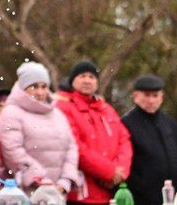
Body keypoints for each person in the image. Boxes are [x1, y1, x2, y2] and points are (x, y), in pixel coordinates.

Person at [0, 62, 80, 197]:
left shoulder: (57, 114)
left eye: (44, 86)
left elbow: (71, 148)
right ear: (24, 87)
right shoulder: (11, 113)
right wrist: (42, 181)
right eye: (34, 86)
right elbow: (13, 151)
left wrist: (65, 181)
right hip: (24, 194)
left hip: (57, 195)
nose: (40, 92)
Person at [56, 61, 132, 204]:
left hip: (109, 192)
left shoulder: (106, 109)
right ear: (72, 81)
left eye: (91, 77)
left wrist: (120, 172)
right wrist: (109, 172)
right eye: (82, 76)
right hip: (81, 194)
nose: (87, 80)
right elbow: (76, 147)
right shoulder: (64, 107)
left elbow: (124, 139)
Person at [120, 74, 177, 205]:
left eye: (155, 96)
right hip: (143, 198)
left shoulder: (169, 123)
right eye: (147, 95)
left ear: (162, 97)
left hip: (172, 196)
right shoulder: (126, 124)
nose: (151, 100)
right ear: (136, 97)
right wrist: (141, 188)